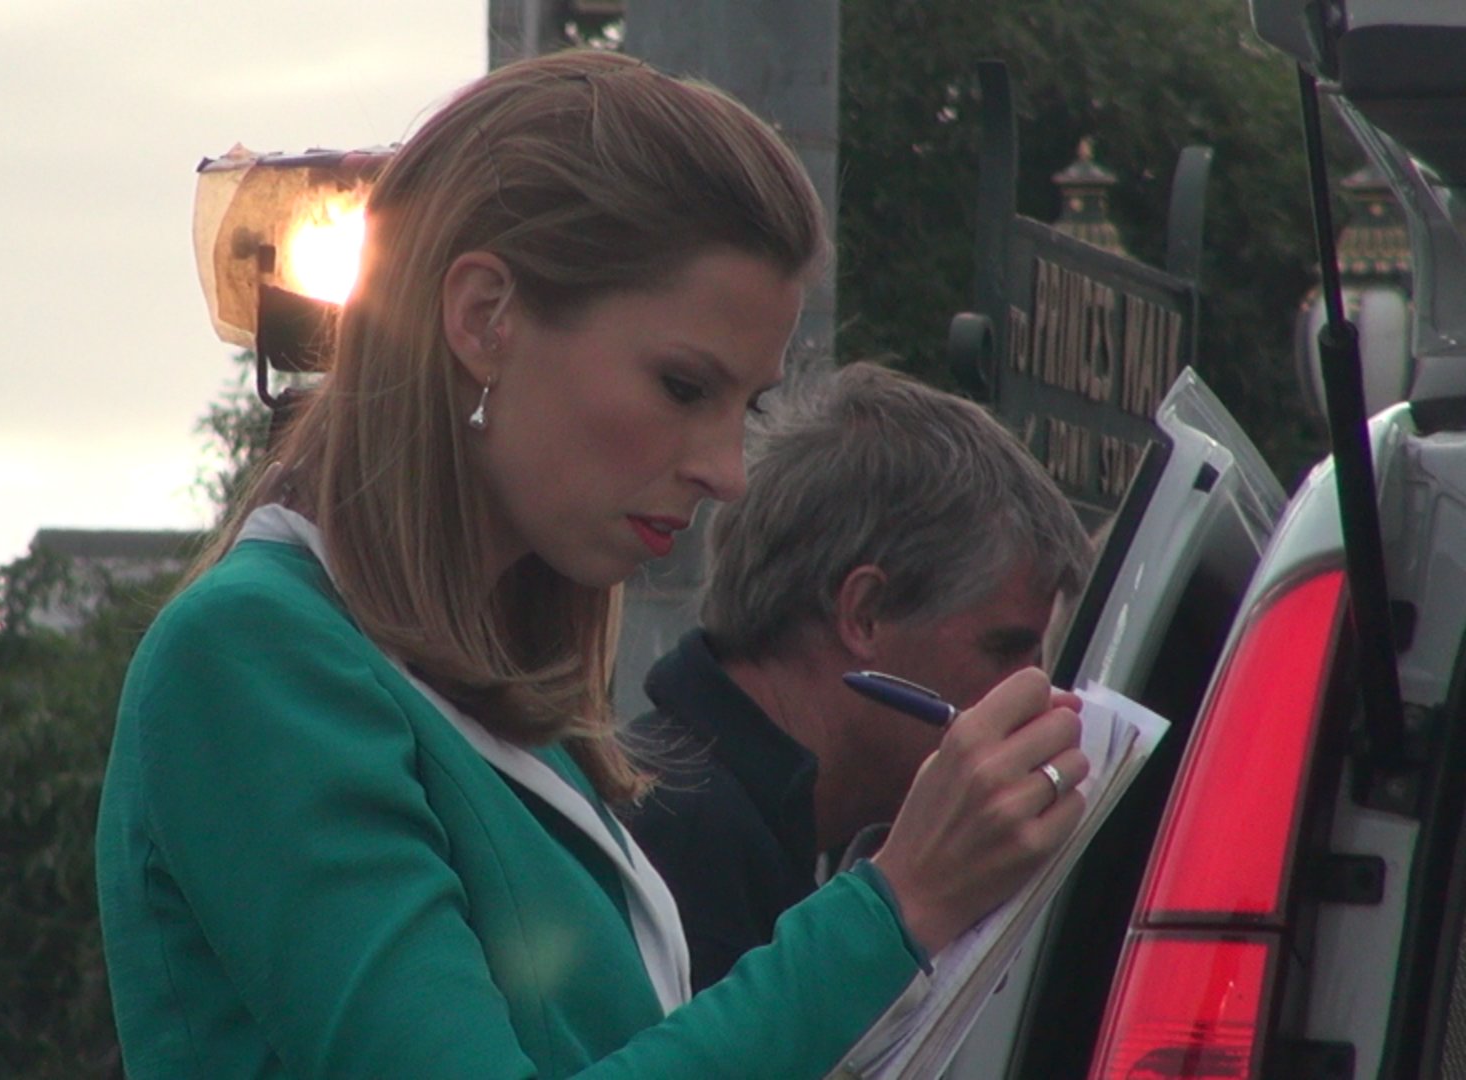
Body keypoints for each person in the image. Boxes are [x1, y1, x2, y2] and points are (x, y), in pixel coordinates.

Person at [94, 50, 1089, 1079]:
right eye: (682, 386)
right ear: (483, 317)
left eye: (745, 406)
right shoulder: (253, 651)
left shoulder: (492, 697)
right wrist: (895, 910)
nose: (726, 472)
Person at [623, 362, 1094, 992]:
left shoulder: (748, 827)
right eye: (1005, 650)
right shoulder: (676, 840)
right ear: (865, 613)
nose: (1038, 694)